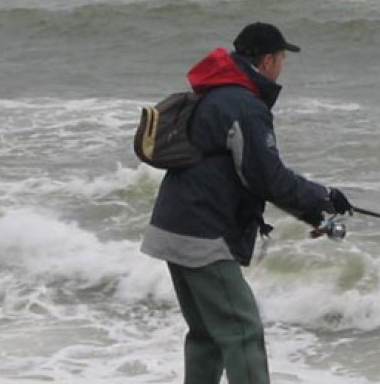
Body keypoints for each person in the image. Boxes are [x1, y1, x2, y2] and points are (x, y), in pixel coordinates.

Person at [140, 22, 353, 384]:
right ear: (268, 60)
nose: (283, 66)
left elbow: (252, 174)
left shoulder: (218, 92)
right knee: (242, 331)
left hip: (174, 226)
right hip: (202, 234)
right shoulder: (243, 104)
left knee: (207, 334)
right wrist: (324, 197)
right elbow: (266, 177)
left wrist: (314, 211)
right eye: (282, 58)